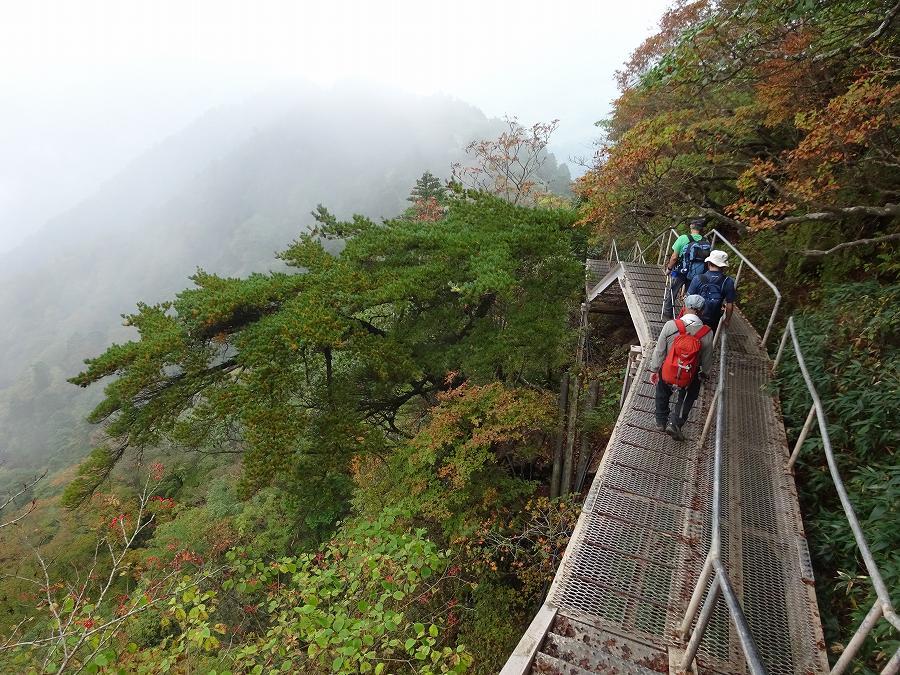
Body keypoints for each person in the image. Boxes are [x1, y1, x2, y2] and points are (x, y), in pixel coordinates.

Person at [649, 294, 714, 440]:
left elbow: (660, 350)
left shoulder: (671, 325)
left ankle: (660, 420)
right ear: (702, 311)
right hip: (689, 373)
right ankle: (675, 422)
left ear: (684, 307)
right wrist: (705, 373)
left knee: (662, 390)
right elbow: (707, 358)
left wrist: (654, 369)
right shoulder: (707, 333)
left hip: (668, 369)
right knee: (688, 395)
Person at [663, 220, 710, 319]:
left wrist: (669, 268)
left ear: (691, 227)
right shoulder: (706, 241)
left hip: (682, 271)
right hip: (697, 273)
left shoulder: (683, 238)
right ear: (701, 229)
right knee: (690, 295)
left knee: (673, 290)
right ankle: (688, 316)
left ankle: (667, 312)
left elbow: (674, 257)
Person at [687, 249, 736, 332]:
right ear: (723, 266)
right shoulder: (728, 281)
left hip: (695, 316)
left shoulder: (697, 278)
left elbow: (688, 300)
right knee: (708, 338)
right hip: (713, 318)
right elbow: (729, 305)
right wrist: (727, 320)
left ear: (709, 263)